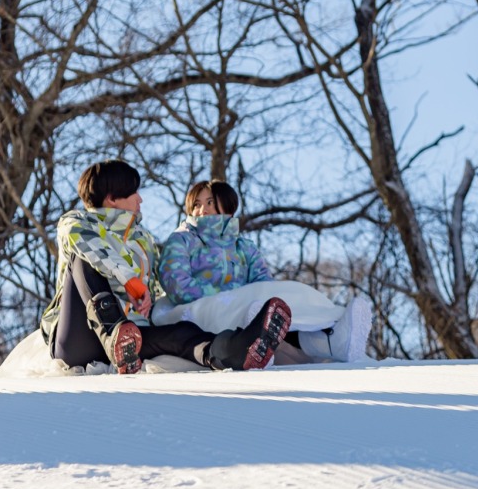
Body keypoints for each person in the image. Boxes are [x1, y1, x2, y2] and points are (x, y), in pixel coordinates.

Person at [40, 159, 291, 375]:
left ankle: (234, 351)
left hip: (131, 340)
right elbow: (89, 246)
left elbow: (160, 287)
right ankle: (112, 330)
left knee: (182, 333)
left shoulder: (144, 240)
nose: (140, 198)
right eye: (133, 193)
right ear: (112, 199)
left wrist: (150, 301)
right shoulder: (76, 223)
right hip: (78, 340)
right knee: (82, 261)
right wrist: (130, 282)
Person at [158, 178, 372, 363]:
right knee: (254, 309)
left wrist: (247, 298)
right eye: (196, 204)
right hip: (197, 309)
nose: (202, 209)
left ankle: (329, 337)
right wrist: (227, 297)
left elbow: (263, 283)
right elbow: (177, 284)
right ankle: (263, 336)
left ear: (228, 206)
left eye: (210, 202)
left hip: (240, 306)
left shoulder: (244, 247)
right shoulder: (182, 239)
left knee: (288, 294)